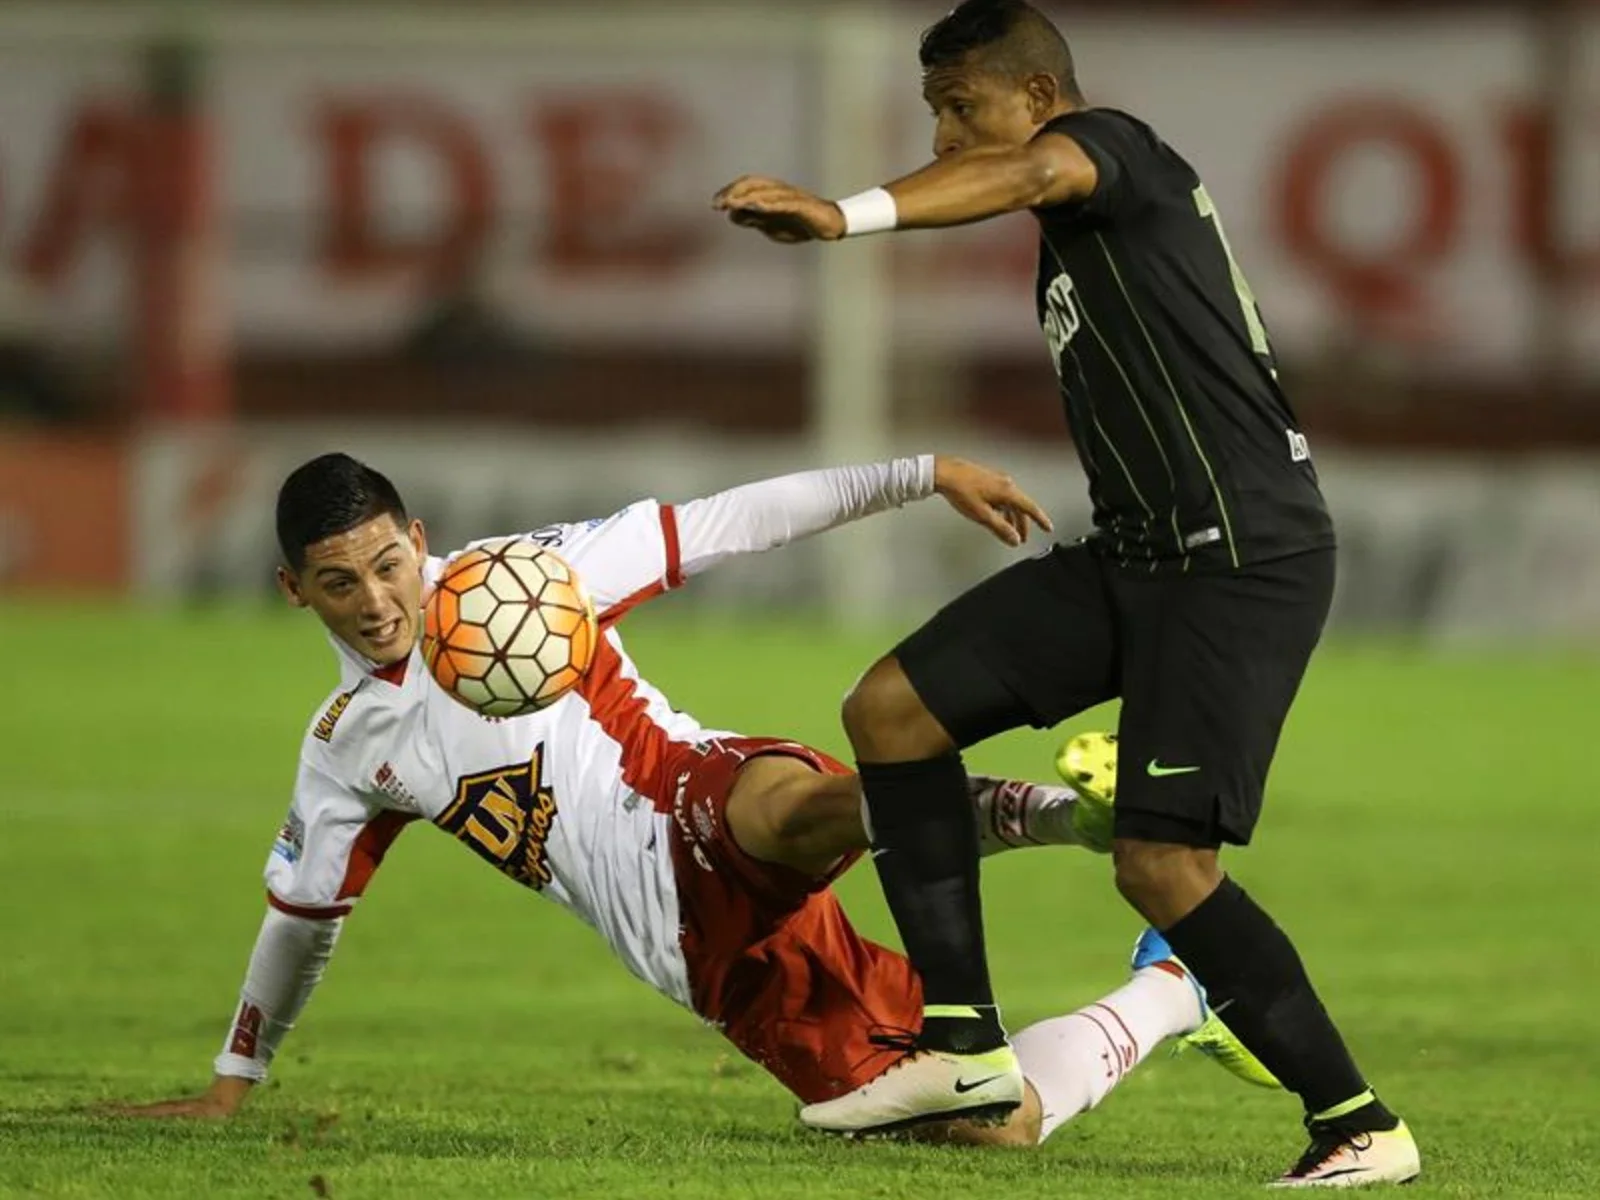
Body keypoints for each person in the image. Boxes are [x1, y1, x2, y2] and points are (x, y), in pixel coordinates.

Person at [713, 0, 1418, 1186]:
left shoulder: (1117, 150)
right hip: (1142, 553)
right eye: (932, 112)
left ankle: (1355, 1122)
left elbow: (1034, 168)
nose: (943, 137)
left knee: (1160, 869)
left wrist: (844, 215)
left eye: (959, 107)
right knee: (892, 711)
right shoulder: (1084, 229)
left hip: (1237, 562)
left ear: (1038, 96)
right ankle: (962, 1049)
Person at [107, 451, 1266, 1148]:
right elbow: (302, 922)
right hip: (706, 960)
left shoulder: (527, 577)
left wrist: (918, 474)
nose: (375, 600)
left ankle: (1066, 816)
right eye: (337, 583)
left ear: (419, 539)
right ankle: (1172, 985)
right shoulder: (347, 750)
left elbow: (722, 522)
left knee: (787, 814)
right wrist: (233, 1083)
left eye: (388, 562)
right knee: (995, 1124)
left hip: (695, 794)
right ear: (292, 592)